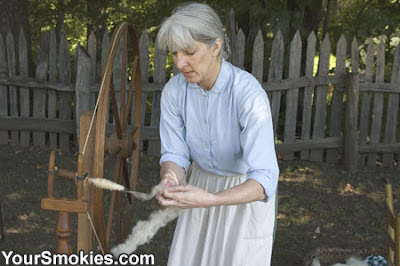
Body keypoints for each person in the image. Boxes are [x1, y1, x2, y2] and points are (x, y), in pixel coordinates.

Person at [155, 2, 279, 266]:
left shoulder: (248, 94)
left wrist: (213, 200)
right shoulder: (174, 91)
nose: (180, 63)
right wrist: (170, 178)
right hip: (199, 186)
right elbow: (175, 153)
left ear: (216, 46)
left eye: (189, 52)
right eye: (174, 53)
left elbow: (265, 178)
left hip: (242, 194)